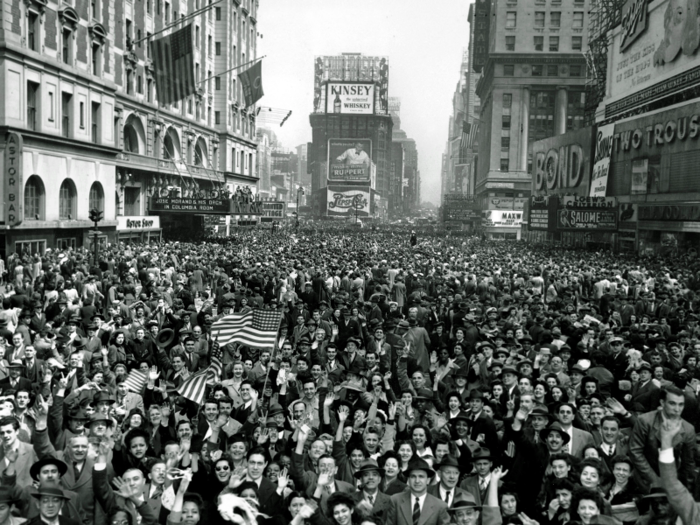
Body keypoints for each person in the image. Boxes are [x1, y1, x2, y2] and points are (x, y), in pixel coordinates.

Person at [387, 457, 450, 525]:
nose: (417, 481)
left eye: (421, 476)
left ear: (428, 480)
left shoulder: (440, 506)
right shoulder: (396, 501)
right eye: (413, 476)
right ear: (408, 480)